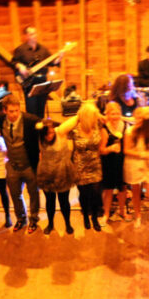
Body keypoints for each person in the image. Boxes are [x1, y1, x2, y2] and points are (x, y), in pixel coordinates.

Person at [0, 95, 42, 233]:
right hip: (12, 165)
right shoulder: (0, 119)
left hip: (29, 165)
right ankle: (21, 218)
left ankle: (33, 219)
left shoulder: (29, 120)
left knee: (34, 194)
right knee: (15, 194)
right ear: (5, 111)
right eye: (11, 111)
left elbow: (46, 124)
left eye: (17, 110)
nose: (14, 114)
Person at [63, 102, 106, 232]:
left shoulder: (98, 125)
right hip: (80, 166)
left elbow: (107, 120)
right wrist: (78, 116)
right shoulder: (75, 128)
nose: (95, 118)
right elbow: (62, 130)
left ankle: (94, 218)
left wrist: (97, 113)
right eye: (92, 116)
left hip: (95, 165)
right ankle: (86, 217)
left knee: (95, 193)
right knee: (84, 194)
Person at [35, 118, 75, 235]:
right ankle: (50, 224)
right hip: (47, 173)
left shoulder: (60, 133)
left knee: (64, 201)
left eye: (51, 132)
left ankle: (68, 223)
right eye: (46, 134)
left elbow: (75, 120)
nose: (49, 136)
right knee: (50, 201)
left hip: (62, 172)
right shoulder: (39, 137)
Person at [123, 106, 149, 227]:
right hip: (133, 164)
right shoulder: (130, 131)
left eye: (140, 117)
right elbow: (126, 150)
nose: (138, 119)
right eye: (136, 116)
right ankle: (137, 216)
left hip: (147, 164)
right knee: (135, 191)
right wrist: (141, 154)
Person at [12, 25, 60, 117]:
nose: (34, 36)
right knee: (31, 111)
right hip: (29, 85)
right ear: (26, 36)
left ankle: (40, 129)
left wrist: (60, 57)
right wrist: (19, 66)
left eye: (35, 33)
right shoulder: (20, 50)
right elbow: (14, 62)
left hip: (41, 84)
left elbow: (53, 63)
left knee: (41, 110)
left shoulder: (43, 50)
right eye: (31, 34)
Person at [99, 101, 127, 223]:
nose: (115, 116)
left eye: (117, 113)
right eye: (112, 114)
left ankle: (122, 211)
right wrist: (110, 149)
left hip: (123, 162)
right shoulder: (104, 129)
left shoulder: (125, 126)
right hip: (109, 162)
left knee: (123, 189)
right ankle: (106, 213)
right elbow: (101, 150)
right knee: (108, 189)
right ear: (108, 115)